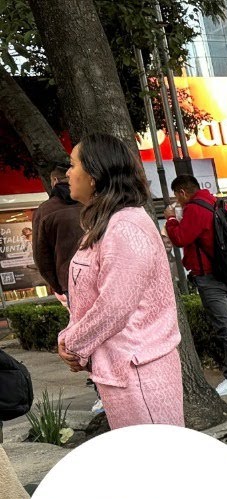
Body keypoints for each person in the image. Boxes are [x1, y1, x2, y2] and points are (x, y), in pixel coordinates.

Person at [57, 134, 183, 429]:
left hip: (139, 370)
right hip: (122, 370)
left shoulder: (124, 226)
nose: (67, 173)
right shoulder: (106, 224)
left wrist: (74, 344)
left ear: (94, 174)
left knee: (154, 464)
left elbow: (115, 305)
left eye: (72, 164)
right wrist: (70, 337)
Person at [165, 175, 227, 396]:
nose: (178, 200)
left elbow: (180, 238)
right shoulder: (219, 204)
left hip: (210, 276)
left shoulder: (194, 209)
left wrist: (170, 219)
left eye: (177, 196)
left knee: (226, 327)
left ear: (182, 193)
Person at [31, 164, 82, 302]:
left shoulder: (45, 210)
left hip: (70, 281)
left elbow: (41, 255)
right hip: (104, 275)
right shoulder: (92, 201)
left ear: (55, 181)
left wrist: (58, 286)